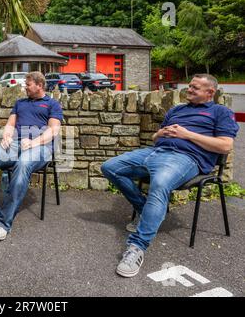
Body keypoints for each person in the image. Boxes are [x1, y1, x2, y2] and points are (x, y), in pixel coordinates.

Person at [101, 74, 239, 278]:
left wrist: (187, 134)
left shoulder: (220, 112)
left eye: (195, 88)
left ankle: (137, 248)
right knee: (110, 167)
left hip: (186, 159)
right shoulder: (176, 110)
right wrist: (160, 134)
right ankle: (144, 207)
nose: (189, 90)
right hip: (155, 152)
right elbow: (155, 138)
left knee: (160, 184)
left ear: (210, 92)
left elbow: (226, 145)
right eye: (189, 86)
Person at [0, 71, 63, 241]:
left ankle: (3, 223)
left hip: (41, 147)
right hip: (16, 144)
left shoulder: (52, 104)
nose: (25, 87)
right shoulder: (20, 103)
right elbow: (10, 124)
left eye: (28, 84)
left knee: (23, 163)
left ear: (39, 85)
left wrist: (33, 142)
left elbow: (53, 130)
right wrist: (7, 136)